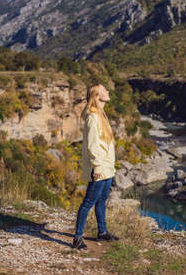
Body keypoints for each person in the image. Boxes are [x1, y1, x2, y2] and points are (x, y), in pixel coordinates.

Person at [72, 83, 119, 250]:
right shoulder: (93, 117)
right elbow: (92, 146)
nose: (108, 91)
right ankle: (77, 238)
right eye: (104, 90)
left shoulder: (101, 114)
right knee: (88, 203)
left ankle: (102, 232)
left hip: (107, 168)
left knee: (101, 201)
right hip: (99, 169)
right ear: (97, 96)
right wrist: (98, 168)